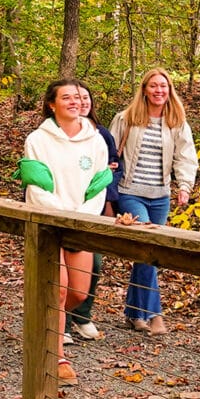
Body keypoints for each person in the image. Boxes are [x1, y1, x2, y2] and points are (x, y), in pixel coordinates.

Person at [18, 80, 117, 382]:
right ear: (52, 104)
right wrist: (61, 217)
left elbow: (99, 186)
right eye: (66, 97)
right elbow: (36, 186)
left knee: (76, 292)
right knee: (58, 290)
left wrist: (80, 219)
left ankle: (45, 322)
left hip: (80, 224)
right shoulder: (38, 139)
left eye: (78, 97)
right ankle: (57, 357)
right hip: (48, 225)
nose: (74, 101)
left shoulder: (96, 140)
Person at [109, 67, 198, 334]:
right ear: (144, 89)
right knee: (149, 249)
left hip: (160, 197)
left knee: (145, 255)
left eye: (164, 86)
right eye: (154, 86)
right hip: (130, 193)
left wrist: (184, 186)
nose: (159, 91)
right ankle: (155, 315)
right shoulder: (126, 118)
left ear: (170, 90)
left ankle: (135, 314)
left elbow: (186, 156)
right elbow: (109, 155)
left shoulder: (177, 122)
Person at [64, 85, 126, 341]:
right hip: (64, 207)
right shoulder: (53, 134)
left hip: (95, 208)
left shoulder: (101, 134)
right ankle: (62, 322)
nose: (82, 102)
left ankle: (82, 316)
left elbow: (114, 166)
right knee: (62, 270)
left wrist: (109, 197)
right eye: (76, 98)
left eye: (86, 98)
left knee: (94, 264)